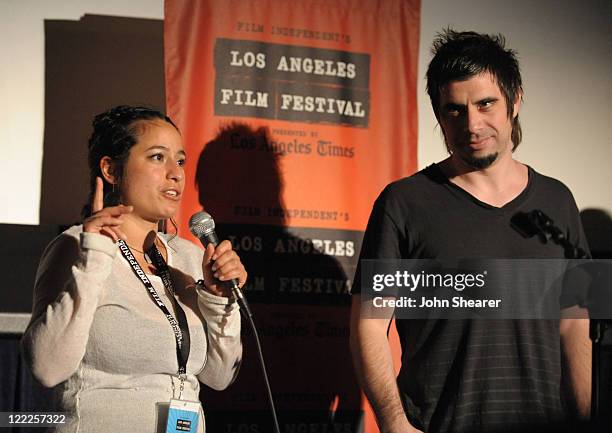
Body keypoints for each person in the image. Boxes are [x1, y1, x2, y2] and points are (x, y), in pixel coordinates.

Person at [350, 30, 591, 433]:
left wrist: (586, 419)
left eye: (485, 104)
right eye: (454, 110)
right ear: (439, 115)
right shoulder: (404, 202)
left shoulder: (557, 200)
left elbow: (575, 321)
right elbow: (369, 324)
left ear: (515, 100)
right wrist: (394, 423)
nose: (472, 124)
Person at [21, 105, 247, 433]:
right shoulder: (76, 246)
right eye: (157, 157)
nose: (176, 173)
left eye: (180, 160)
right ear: (111, 170)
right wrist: (96, 258)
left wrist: (217, 299)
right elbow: (47, 368)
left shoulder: (188, 256)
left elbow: (220, 376)